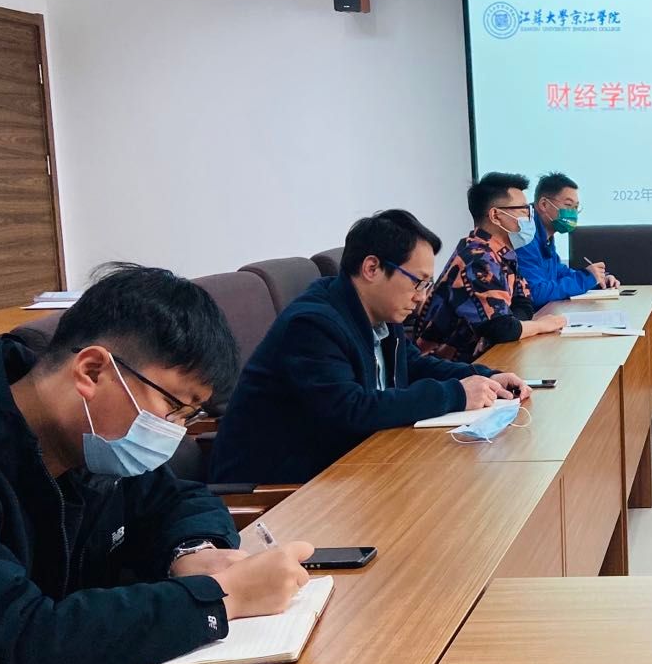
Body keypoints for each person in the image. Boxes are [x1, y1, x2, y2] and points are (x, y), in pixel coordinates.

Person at [0, 264, 314, 664]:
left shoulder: (88, 437)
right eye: (173, 407)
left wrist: (195, 552)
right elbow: (10, 646)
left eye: (189, 417)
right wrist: (222, 598)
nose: (176, 433)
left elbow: (178, 499)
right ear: (92, 371)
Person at [210, 209, 532, 485]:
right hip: (283, 489)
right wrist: (456, 393)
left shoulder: (380, 311)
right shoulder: (312, 324)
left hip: (348, 467)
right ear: (372, 268)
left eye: (427, 285)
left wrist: (485, 376)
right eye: (417, 282)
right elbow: (351, 410)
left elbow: (414, 364)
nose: (421, 297)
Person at [413, 172, 567, 362]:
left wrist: (512, 325)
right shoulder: (478, 258)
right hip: (444, 367)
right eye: (523, 210)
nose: (529, 217)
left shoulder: (503, 253)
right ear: (495, 215)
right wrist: (541, 325)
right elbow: (501, 328)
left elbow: (523, 303)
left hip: (480, 360)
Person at [516, 171, 619, 307]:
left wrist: (596, 279)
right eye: (568, 205)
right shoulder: (524, 237)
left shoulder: (545, 235)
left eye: (576, 207)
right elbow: (534, 293)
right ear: (544, 204)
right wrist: (585, 279)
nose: (573, 213)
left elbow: (558, 272)